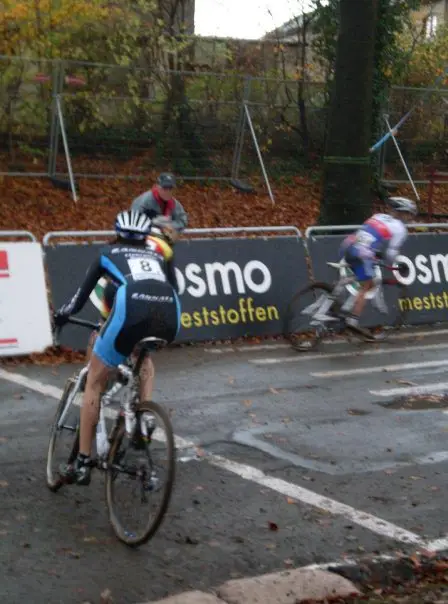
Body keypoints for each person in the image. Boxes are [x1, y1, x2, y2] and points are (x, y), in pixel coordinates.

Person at [53, 210, 180, 486]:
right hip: (170, 314)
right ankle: (143, 416)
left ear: (117, 233)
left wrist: (62, 313)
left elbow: (78, 299)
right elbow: (175, 287)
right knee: (144, 355)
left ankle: (83, 460)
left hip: (129, 309)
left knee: (95, 381)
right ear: (145, 235)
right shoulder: (159, 254)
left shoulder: (107, 253)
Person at [338, 196, 417, 330]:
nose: (410, 218)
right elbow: (391, 254)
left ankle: (339, 293)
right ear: (402, 213)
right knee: (367, 285)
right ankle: (352, 321)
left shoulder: (378, 216)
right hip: (362, 253)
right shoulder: (400, 229)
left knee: (361, 275)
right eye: (409, 214)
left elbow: (368, 234)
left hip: (348, 245)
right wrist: (397, 265)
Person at [131, 172, 188, 244]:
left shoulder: (174, 204)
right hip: (142, 239)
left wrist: (169, 225)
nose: (168, 191)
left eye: (170, 188)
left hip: (162, 241)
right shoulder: (144, 201)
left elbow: (183, 221)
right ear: (157, 187)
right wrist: (154, 223)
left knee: (174, 233)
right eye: (164, 188)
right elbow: (133, 222)